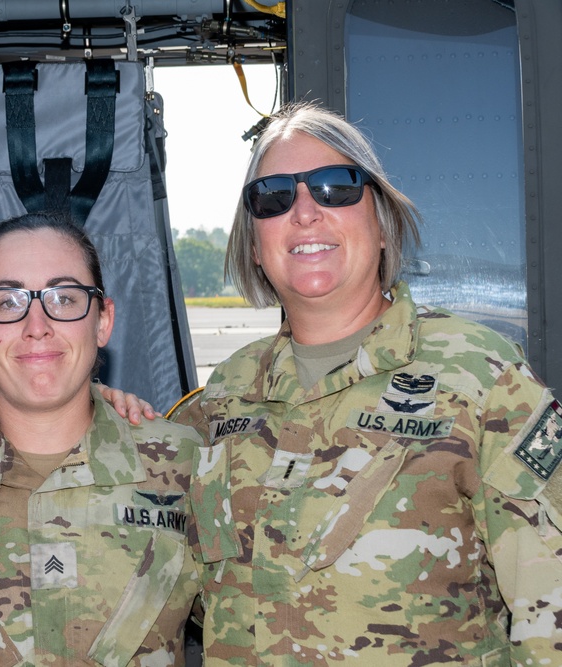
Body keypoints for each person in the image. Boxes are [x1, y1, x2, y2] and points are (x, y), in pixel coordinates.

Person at [168, 102, 562, 664]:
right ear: (255, 246)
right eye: (273, 196)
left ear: (382, 223)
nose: (303, 211)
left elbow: (551, 607)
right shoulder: (223, 396)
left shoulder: (480, 375)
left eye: (335, 186)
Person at [0, 212, 203, 665]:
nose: (37, 324)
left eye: (64, 297)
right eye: (6, 301)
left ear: (102, 320)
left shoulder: (185, 467)